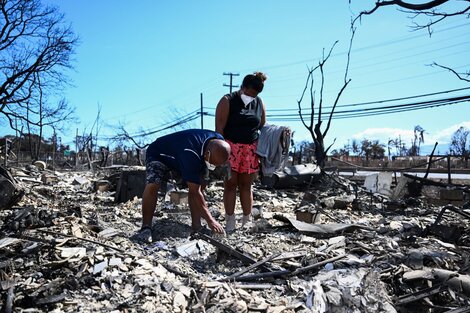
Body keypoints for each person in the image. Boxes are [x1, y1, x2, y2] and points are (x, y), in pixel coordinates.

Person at [134, 129, 231, 243]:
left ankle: (197, 226)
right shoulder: (190, 153)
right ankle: (146, 227)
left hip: (182, 154)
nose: (214, 166)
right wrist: (211, 220)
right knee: (153, 184)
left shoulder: (218, 140)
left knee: (201, 184)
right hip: (159, 154)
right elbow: (195, 192)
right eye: (213, 163)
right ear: (207, 154)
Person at [215, 72, 267, 232]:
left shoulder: (259, 103)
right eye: (249, 94)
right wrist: (220, 153)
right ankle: (230, 221)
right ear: (242, 87)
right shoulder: (227, 100)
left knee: (246, 185)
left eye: (255, 95)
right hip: (230, 147)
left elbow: (263, 125)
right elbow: (219, 129)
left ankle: (246, 220)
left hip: (250, 149)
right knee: (230, 185)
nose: (251, 97)